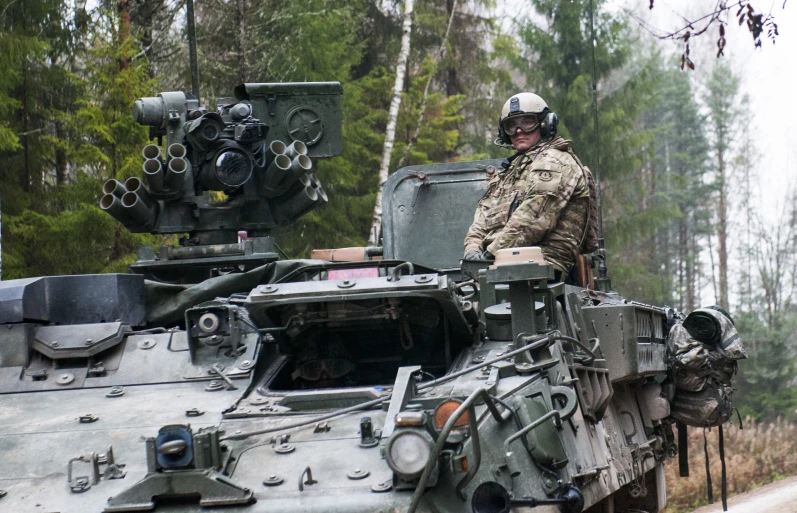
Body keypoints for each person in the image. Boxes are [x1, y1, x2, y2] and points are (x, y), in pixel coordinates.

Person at [463, 93, 597, 280]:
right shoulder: (509, 173)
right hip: (497, 267)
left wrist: (489, 255)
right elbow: (482, 218)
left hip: (540, 269)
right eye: (511, 125)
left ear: (544, 124)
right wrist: (472, 251)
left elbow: (534, 219)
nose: (518, 131)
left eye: (527, 122)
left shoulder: (555, 161)